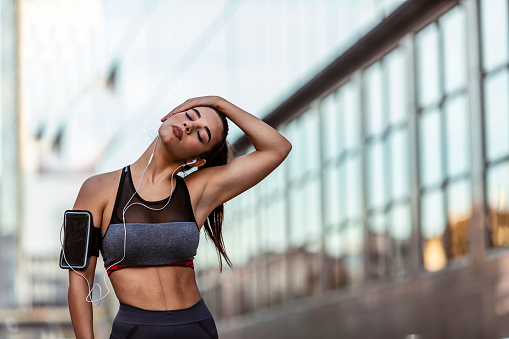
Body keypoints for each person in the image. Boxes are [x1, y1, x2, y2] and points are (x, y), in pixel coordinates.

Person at [67, 95, 292, 338]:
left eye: (201, 134)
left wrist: (220, 103)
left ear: (196, 160)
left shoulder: (199, 190)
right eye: (190, 115)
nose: (189, 126)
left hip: (196, 328)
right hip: (134, 331)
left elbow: (278, 148)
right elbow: (79, 280)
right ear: (171, 114)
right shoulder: (95, 189)